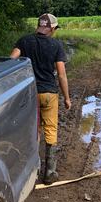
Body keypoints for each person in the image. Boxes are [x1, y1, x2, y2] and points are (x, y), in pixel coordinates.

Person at [10, 13, 71, 184]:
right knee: (50, 129)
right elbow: (61, 74)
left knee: (33, 129)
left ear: (39, 26)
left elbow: (10, 61)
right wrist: (67, 98)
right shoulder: (56, 45)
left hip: (29, 92)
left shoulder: (24, 41)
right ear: (51, 28)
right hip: (49, 93)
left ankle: (32, 170)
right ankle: (50, 172)